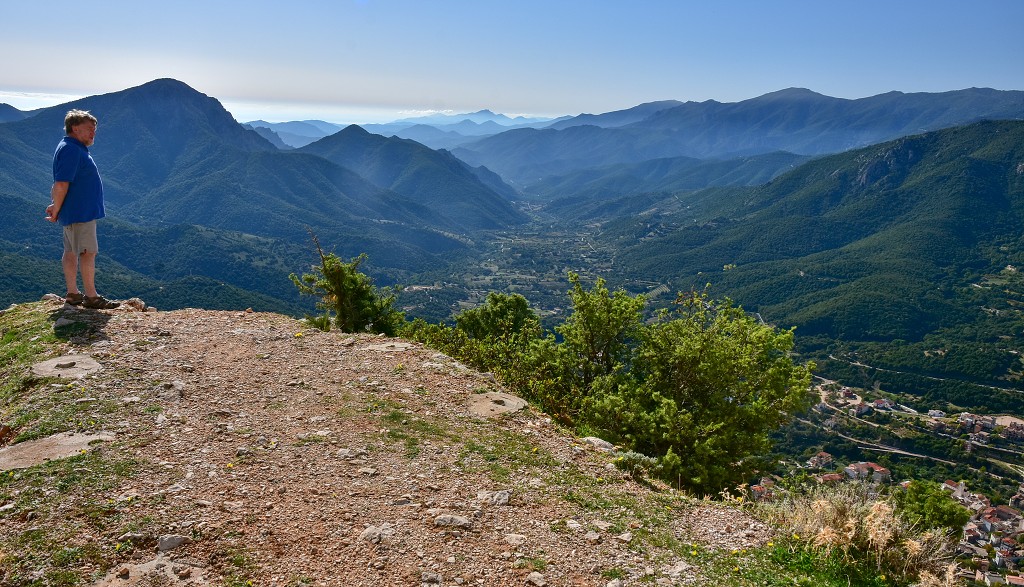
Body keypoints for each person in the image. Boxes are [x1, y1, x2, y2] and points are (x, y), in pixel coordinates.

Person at [45, 109, 119, 309]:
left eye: (94, 130)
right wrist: (56, 209)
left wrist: (56, 206)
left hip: (74, 211)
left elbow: (59, 184)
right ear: (75, 128)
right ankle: (91, 297)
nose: (93, 133)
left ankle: (73, 294)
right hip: (81, 212)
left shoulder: (70, 147)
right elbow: (61, 183)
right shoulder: (72, 149)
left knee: (70, 251)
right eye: (89, 129)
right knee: (87, 252)